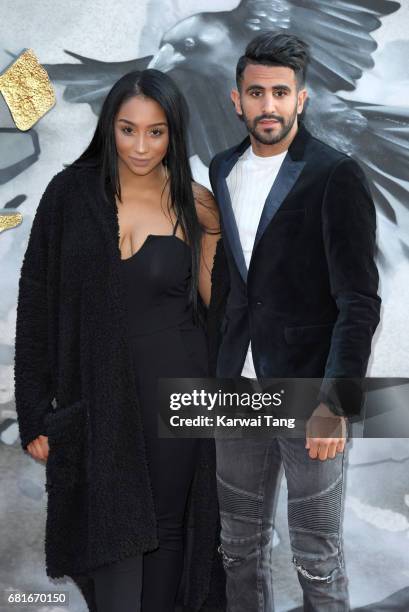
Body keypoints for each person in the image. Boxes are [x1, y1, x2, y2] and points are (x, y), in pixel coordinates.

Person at [14, 68, 226, 612]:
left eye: (156, 132)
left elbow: (212, 306)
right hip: (99, 396)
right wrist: (35, 412)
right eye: (128, 129)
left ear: (174, 134)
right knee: (105, 539)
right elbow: (36, 304)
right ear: (108, 126)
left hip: (180, 388)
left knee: (168, 534)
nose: (141, 145)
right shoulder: (70, 194)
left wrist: (217, 235)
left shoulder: (193, 201)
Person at [207, 33, 381, 611]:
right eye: (256, 93)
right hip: (238, 394)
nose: (268, 105)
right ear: (237, 100)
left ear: (301, 98)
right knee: (238, 547)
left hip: (310, 394)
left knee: (316, 553)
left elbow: (359, 300)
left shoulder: (336, 174)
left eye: (281, 92)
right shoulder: (222, 168)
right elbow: (233, 287)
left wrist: (337, 402)